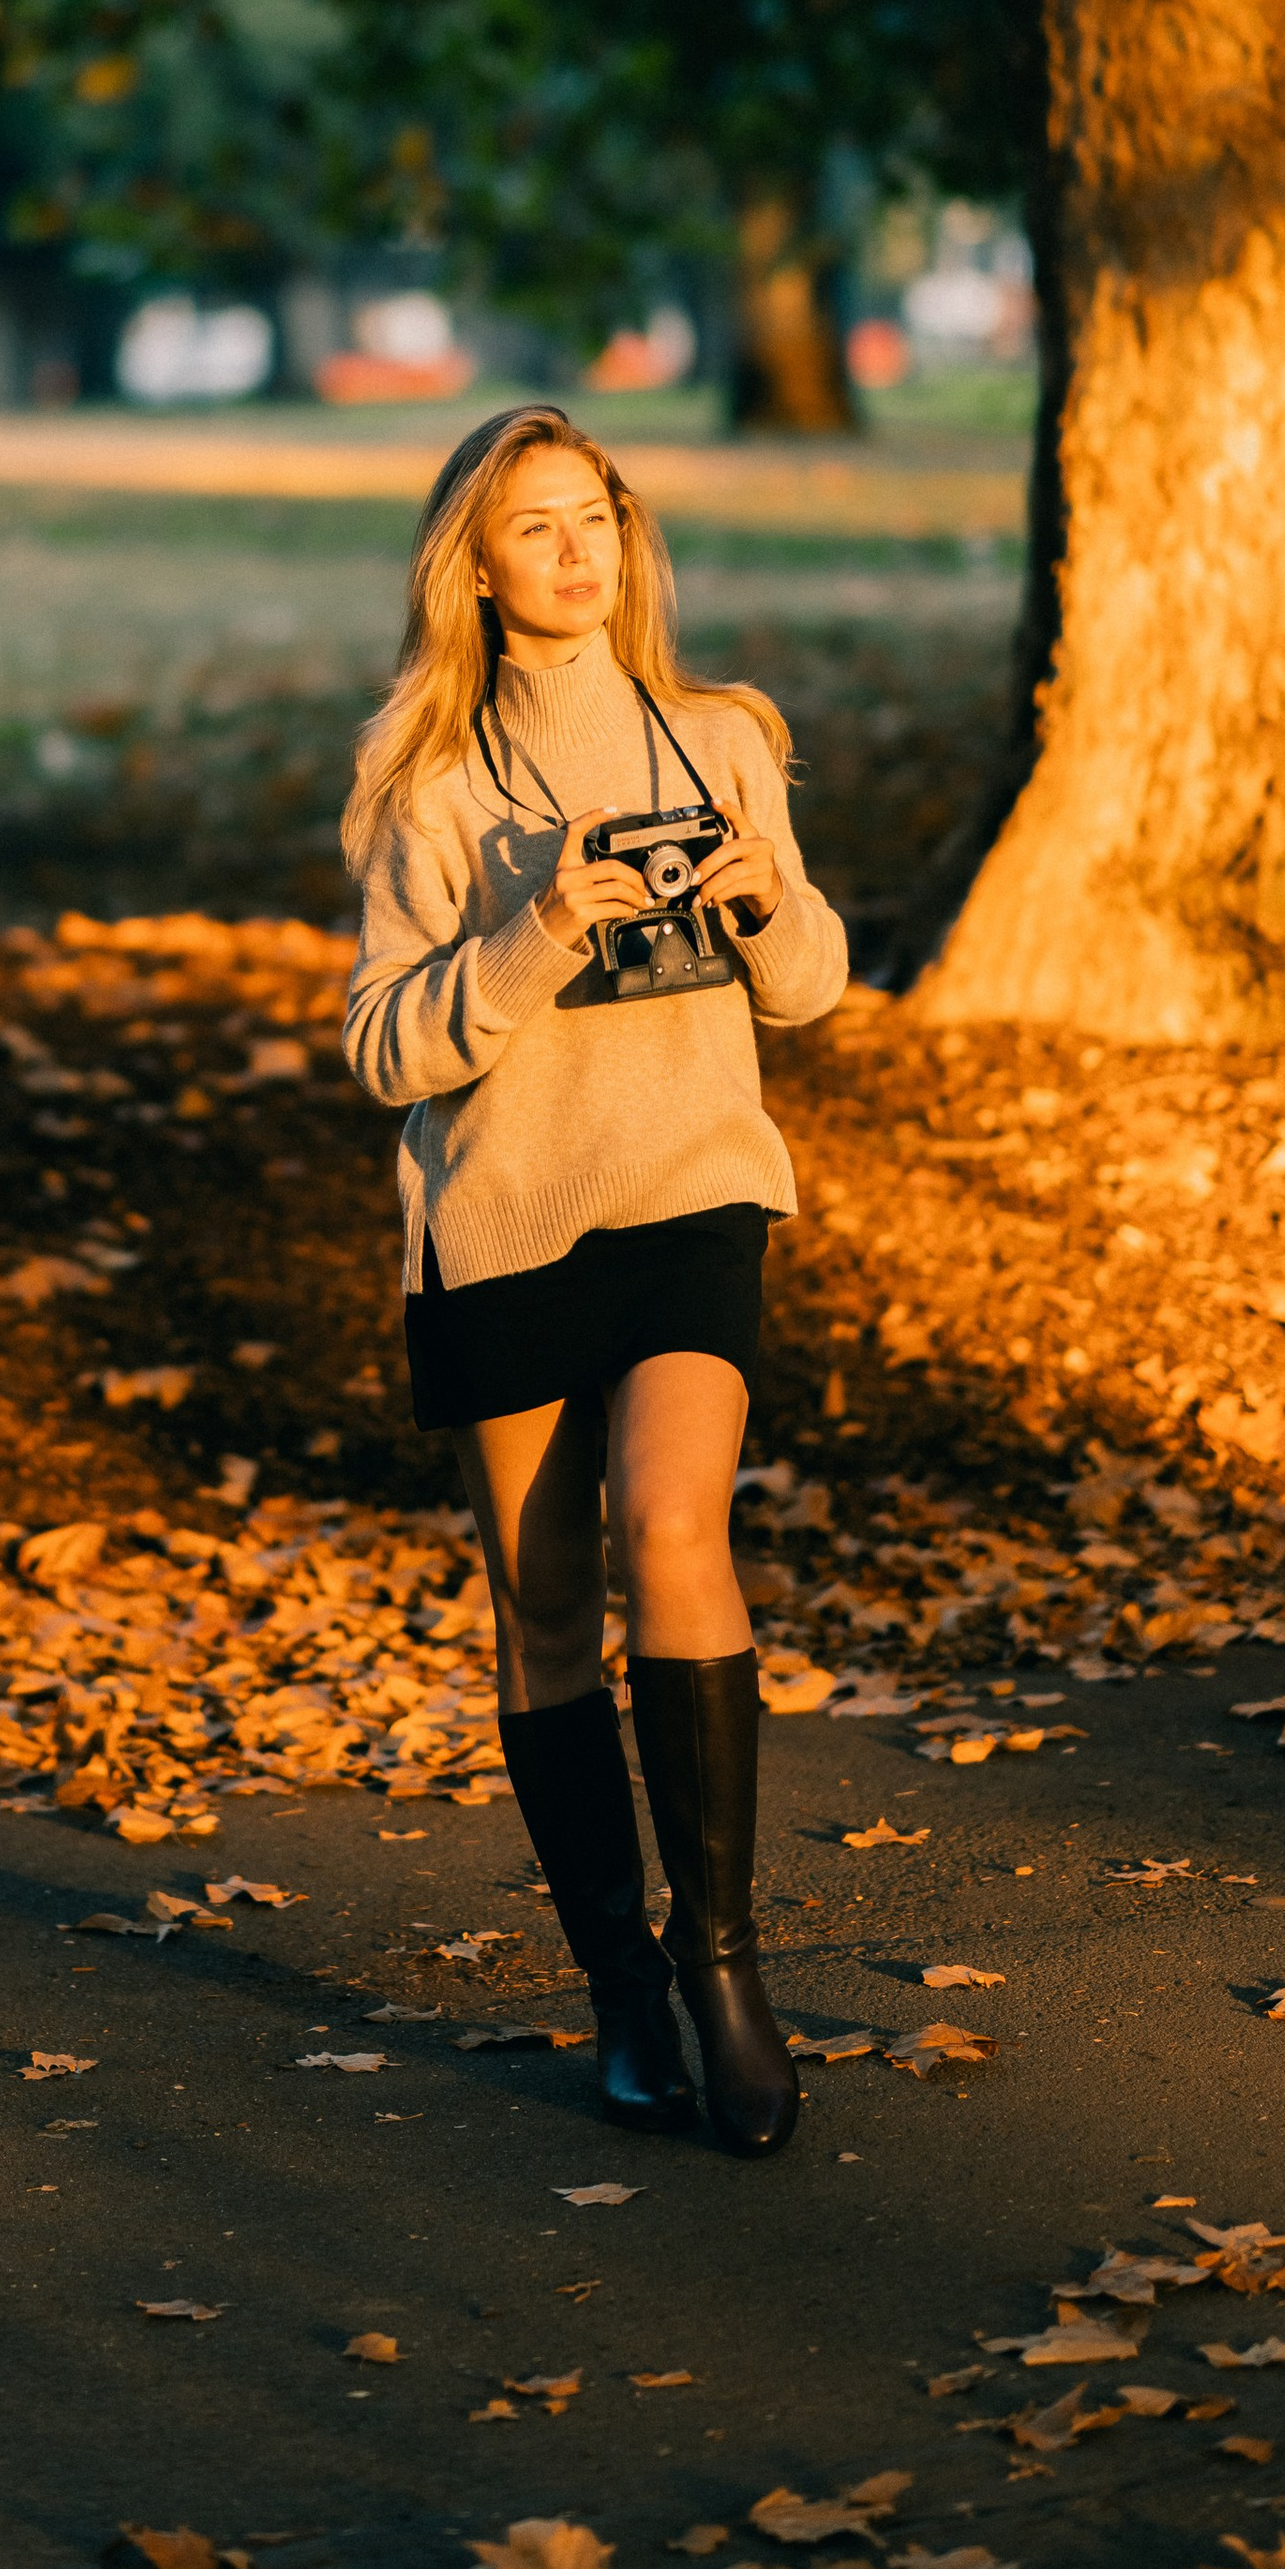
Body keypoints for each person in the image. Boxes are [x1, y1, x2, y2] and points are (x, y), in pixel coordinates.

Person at [341, 403, 848, 2155]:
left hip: (694, 1184)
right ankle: (620, 1986)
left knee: (673, 1521)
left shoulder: (721, 738)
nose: (577, 553)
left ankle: (724, 1971)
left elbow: (812, 986)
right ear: (476, 568)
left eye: (598, 519)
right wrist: (542, 926)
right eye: (536, 528)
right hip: (505, 1218)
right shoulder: (426, 784)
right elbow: (386, 1049)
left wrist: (763, 899)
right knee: (547, 1604)